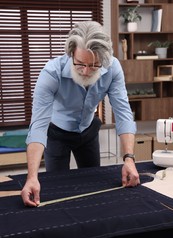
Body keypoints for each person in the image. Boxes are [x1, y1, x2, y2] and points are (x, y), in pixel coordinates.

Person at [21, 21, 140, 208]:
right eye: (80, 64)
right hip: (56, 133)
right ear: (71, 54)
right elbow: (38, 126)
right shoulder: (51, 73)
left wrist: (129, 159)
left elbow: (123, 113)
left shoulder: (113, 68)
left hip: (88, 130)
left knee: (93, 187)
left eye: (94, 66)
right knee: (57, 189)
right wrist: (32, 177)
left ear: (104, 59)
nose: (85, 71)